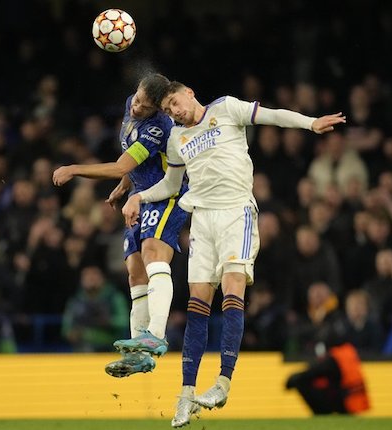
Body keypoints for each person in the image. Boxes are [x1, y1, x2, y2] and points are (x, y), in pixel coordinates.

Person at [121, 80, 345, 427]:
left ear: (189, 93)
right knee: (197, 305)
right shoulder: (178, 139)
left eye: (175, 103)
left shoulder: (226, 109)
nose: (174, 112)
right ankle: (186, 394)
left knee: (232, 290)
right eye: (167, 110)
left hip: (236, 213)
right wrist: (139, 196)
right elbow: (170, 184)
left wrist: (310, 122)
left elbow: (272, 116)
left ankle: (223, 382)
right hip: (202, 222)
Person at [52, 73, 189, 376]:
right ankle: (138, 354)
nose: (137, 107)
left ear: (158, 110)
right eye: (137, 98)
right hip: (139, 195)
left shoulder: (158, 128)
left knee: (153, 254)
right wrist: (126, 186)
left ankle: (156, 335)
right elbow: (133, 160)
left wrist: (75, 169)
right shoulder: (132, 104)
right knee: (134, 270)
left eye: (145, 105)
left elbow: (121, 165)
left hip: (167, 194)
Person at [285, 321, 370, 415]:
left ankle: (321, 414)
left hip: (346, 403)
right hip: (354, 400)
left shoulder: (334, 359)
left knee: (300, 381)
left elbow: (316, 371)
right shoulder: (347, 352)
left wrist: (294, 377)